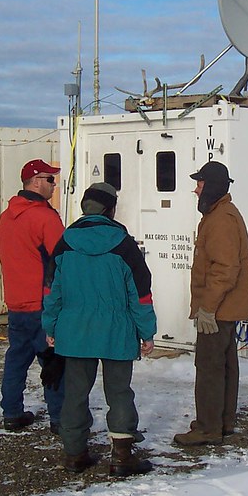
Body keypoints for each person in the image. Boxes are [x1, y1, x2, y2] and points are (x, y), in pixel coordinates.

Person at [43, 182, 157, 476]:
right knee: (119, 392)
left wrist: (50, 325)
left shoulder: (65, 242)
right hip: (116, 331)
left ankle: (74, 454)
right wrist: (147, 331)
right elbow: (141, 292)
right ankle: (121, 456)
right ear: (110, 209)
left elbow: (51, 290)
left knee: (75, 393)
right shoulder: (123, 243)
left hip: (74, 331)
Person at [174, 161, 248, 447]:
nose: (196, 190)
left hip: (218, 309)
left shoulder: (220, 218)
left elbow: (224, 269)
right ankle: (223, 421)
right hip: (226, 307)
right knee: (224, 364)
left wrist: (207, 307)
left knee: (209, 366)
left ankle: (208, 428)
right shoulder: (223, 213)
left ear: (213, 186)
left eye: (200, 184)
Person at [0, 159, 66, 432]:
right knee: (54, 361)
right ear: (35, 181)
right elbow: (62, 260)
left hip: (16, 302)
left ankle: (12, 413)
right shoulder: (45, 217)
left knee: (16, 359)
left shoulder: (7, 215)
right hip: (42, 303)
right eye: (50, 179)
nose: (54, 184)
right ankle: (60, 419)